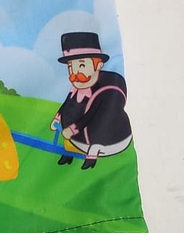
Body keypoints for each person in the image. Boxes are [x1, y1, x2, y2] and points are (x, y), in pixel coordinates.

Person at [51, 32, 132, 170]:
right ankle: (69, 154)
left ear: (99, 65)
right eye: (71, 67)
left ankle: (91, 158)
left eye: (81, 66)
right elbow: (66, 105)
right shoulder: (75, 90)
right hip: (75, 138)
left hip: (110, 140)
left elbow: (89, 116)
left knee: (95, 145)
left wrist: (73, 129)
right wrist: (58, 118)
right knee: (68, 141)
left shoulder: (102, 94)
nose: (75, 74)